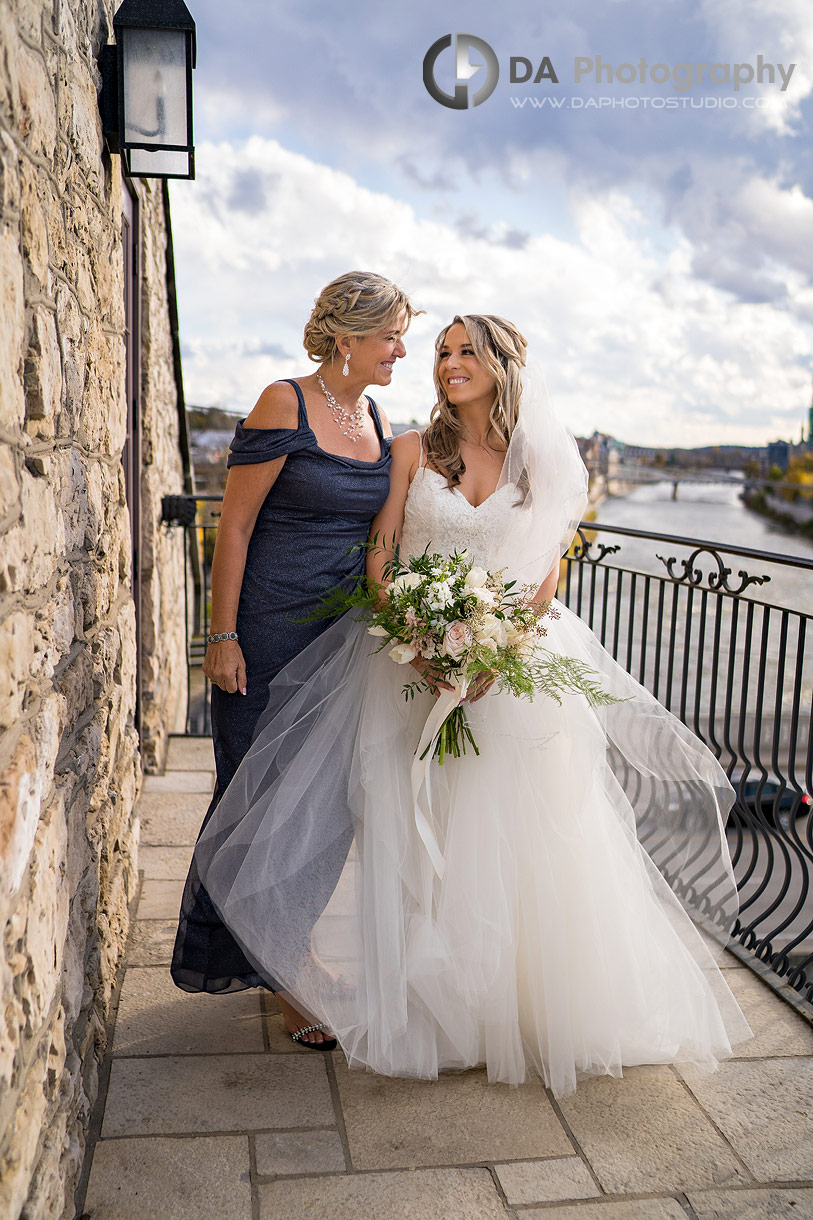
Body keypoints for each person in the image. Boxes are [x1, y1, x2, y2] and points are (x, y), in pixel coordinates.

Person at [191, 314, 752, 1095]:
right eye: (441, 352)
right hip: (404, 668)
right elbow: (381, 550)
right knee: (416, 840)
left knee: (524, 837)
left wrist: (500, 646)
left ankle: (520, 1010)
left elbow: (547, 567)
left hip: (509, 672)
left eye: (465, 352)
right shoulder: (412, 450)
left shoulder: (544, 462)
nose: (448, 364)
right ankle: (435, 1004)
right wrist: (416, 639)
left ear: (502, 362)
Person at [171, 271, 421, 1048]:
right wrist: (221, 638)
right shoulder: (284, 401)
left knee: (324, 810)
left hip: (344, 640)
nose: (401, 351)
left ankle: (291, 949)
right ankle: (283, 976)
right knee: (256, 800)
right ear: (347, 336)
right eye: (391, 336)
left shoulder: (375, 413)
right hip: (268, 634)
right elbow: (235, 528)